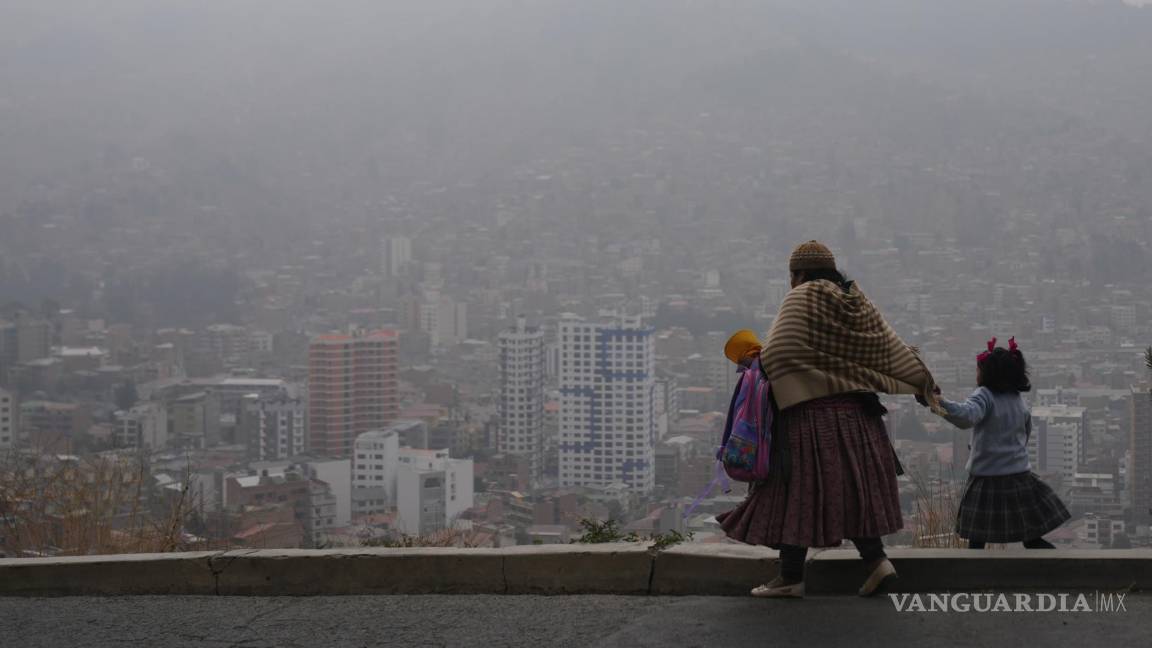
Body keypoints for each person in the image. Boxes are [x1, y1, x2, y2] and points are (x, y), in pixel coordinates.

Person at [718, 241, 941, 599]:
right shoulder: (857, 301)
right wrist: (922, 381)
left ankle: (790, 577)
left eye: (792, 275)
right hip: (860, 418)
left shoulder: (801, 297)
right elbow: (887, 348)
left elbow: (778, 354)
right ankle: (877, 563)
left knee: (797, 492)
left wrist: (760, 364)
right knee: (853, 490)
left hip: (810, 417)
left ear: (800, 273)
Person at [932, 337, 1070, 550]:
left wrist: (938, 402)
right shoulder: (1017, 398)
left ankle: (974, 579)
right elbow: (1025, 432)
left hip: (987, 479)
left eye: (978, 369)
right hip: (1019, 479)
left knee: (977, 540)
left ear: (988, 373)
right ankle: (1058, 568)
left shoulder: (984, 396)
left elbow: (966, 416)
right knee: (1032, 538)